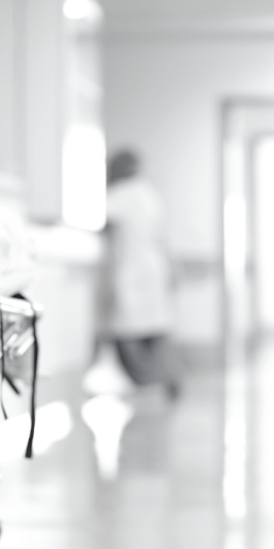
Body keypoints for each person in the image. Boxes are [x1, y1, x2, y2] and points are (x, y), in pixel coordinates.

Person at [102, 149, 179, 396]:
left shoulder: (119, 194)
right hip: (155, 266)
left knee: (128, 328)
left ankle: (146, 382)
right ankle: (165, 378)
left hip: (131, 268)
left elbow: (99, 221)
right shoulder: (151, 192)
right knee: (155, 327)